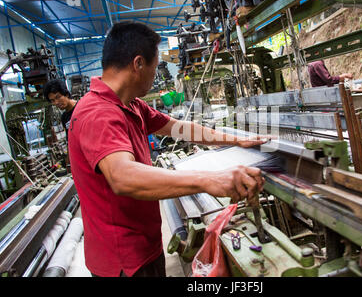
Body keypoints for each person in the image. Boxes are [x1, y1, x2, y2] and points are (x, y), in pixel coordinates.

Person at [68, 21, 269, 278]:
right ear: (138, 64)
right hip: (123, 261)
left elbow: (180, 129)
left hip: (143, 246)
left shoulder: (130, 104)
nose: (156, 75)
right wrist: (210, 180)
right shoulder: (97, 113)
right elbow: (122, 177)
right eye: (155, 65)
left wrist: (236, 139)